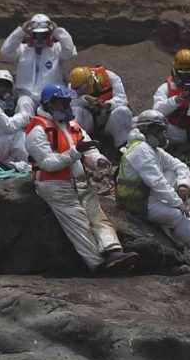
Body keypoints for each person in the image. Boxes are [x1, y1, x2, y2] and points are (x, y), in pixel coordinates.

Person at [23, 83, 124, 272]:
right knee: (78, 222)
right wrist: (75, 152)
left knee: (97, 214)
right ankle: (98, 264)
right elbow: (48, 163)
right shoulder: (38, 130)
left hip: (80, 181)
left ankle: (113, 251)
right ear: (50, 104)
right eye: (62, 102)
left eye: (67, 102)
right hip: (53, 184)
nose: (66, 106)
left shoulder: (72, 125)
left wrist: (98, 161)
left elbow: (89, 148)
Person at [119, 133, 190, 265]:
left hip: (149, 197)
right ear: (147, 131)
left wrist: (183, 185)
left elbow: (180, 166)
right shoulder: (140, 150)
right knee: (179, 216)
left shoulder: (155, 151)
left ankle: (178, 236)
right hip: (138, 203)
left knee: (172, 171)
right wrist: (178, 203)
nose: (163, 134)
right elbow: (156, 182)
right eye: (157, 130)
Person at [1, 14, 78, 110]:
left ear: (49, 33)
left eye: (43, 34)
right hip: (26, 95)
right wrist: (20, 31)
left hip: (51, 97)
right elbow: (5, 52)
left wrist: (58, 31)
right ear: (31, 34)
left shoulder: (57, 50)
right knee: (23, 105)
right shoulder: (22, 50)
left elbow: (69, 51)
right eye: (36, 35)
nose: (39, 38)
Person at [67, 62, 134, 154]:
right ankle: (78, 146)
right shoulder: (73, 85)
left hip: (109, 119)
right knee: (75, 111)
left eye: (84, 88)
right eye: (78, 90)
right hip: (91, 122)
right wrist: (85, 99)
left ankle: (121, 147)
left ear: (90, 80)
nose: (81, 91)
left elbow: (122, 99)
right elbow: (71, 103)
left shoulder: (110, 76)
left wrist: (107, 105)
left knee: (123, 111)